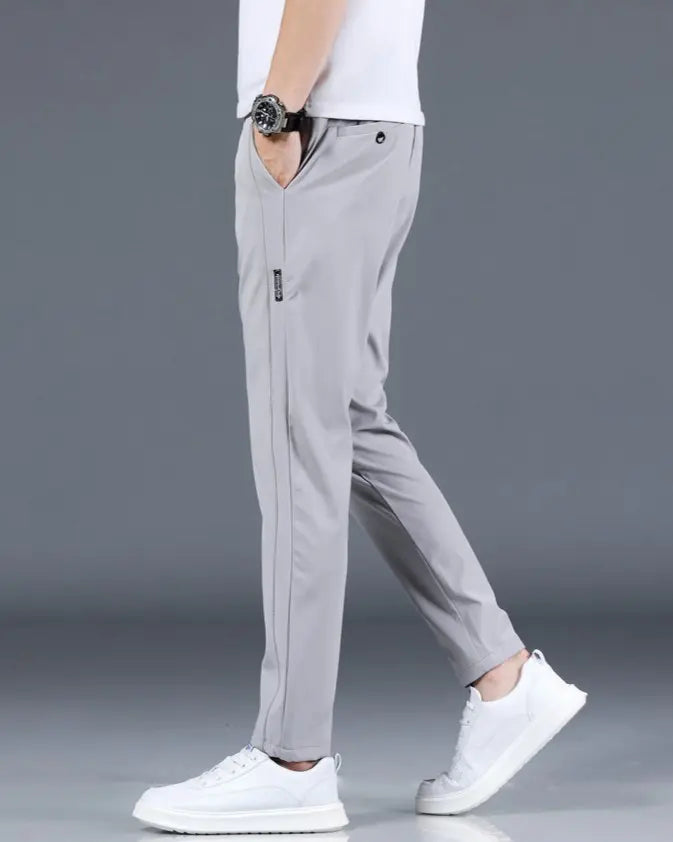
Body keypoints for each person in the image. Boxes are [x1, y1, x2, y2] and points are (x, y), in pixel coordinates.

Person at [132, 0, 586, 834]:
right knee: (345, 418)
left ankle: (291, 761)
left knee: (299, 437)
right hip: (370, 132)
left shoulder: (296, 123)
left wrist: (276, 112)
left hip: (319, 131)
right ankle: (503, 676)